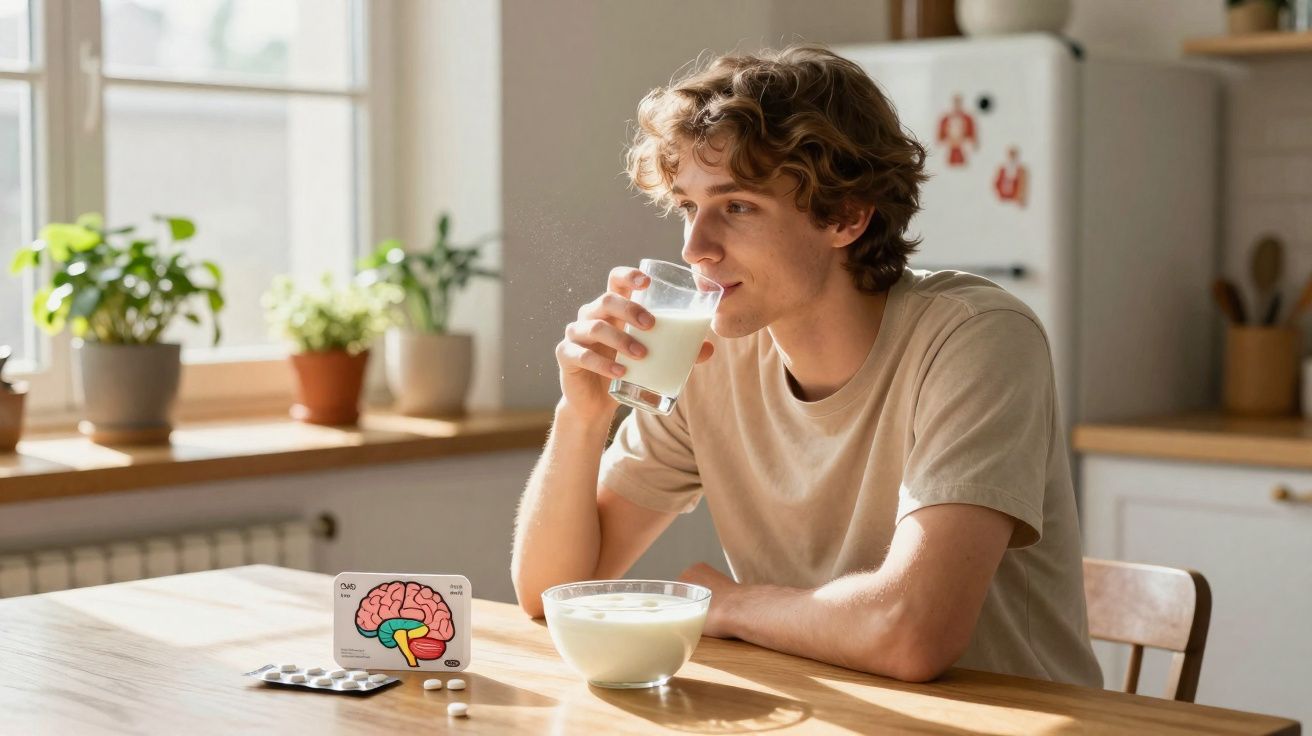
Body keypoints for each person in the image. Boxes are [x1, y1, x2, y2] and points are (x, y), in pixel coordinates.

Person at [510, 44, 1103, 686]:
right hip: (833, 710)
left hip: (1009, 724)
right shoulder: (708, 354)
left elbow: (911, 634)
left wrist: (733, 604)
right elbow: (552, 593)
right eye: (688, 206)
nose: (694, 247)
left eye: (736, 207)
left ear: (846, 216)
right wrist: (581, 413)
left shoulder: (976, 339)